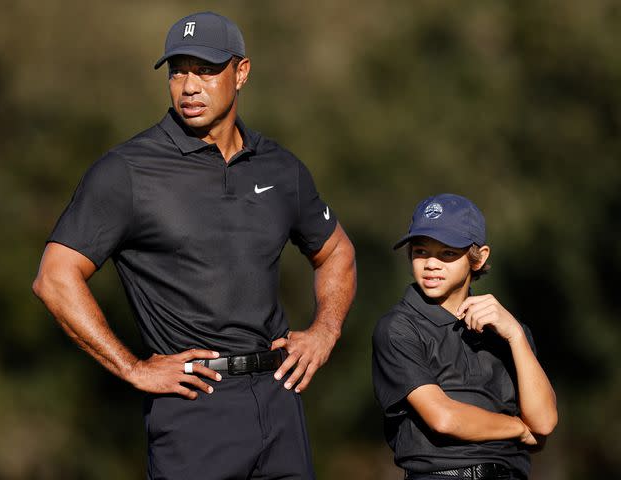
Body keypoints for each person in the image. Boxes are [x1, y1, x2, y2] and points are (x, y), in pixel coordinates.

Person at [32, 11, 356, 480]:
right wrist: (133, 368)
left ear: (240, 73)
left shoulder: (280, 168)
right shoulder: (126, 171)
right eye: (178, 70)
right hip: (193, 409)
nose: (188, 86)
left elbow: (336, 253)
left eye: (205, 70)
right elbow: (54, 278)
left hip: (279, 398)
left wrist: (325, 330)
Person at [372, 193, 557, 480]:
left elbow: (543, 424)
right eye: (421, 251)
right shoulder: (398, 327)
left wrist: (516, 336)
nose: (431, 263)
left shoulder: (508, 330)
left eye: (447, 253)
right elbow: (443, 417)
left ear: (478, 258)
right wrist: (519, 428)